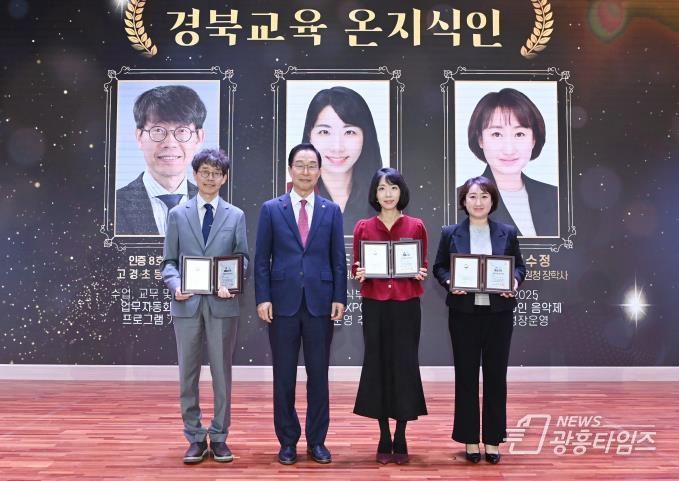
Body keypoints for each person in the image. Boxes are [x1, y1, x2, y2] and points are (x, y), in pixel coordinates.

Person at [254, 143, 347, 465]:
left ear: (319, 170)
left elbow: (338, 259)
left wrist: (339, 296)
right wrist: (263, 297)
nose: (305, 171)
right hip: (282, 305)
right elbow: (262, 260)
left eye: (311, 165)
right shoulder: (271, 209)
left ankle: (317, 441)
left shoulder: (331, 211)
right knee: (284, 377)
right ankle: (287, 441)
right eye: (300, 165)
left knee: (318, 376)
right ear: (290, 169)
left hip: (321, 304)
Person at [161, 148, 249, 464]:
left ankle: (220, 436)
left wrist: (232, 282)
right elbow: (169, 262)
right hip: (187, 307)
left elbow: (242, 258)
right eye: (205, 172)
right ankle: (195, 437)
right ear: (195, 175)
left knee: (221, 375)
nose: (210, 178)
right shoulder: (178, 214)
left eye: (216, 173)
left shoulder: (235, 215)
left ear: (224, 178)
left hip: (222, 307)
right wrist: (176, 285)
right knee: (188, 374)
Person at [434, 176, 526, 465]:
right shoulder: (450, 233)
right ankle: (470, 439)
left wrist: (514, 280)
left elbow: (520, 267)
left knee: (496, 378)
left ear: (492, 201)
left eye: (484, 196)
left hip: (499, 315)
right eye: (472, 196)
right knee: (466, 377)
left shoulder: (507, 232)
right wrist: (450, 282)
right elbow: (439, 267)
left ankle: (493, 440)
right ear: (464, 201)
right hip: (464, 315)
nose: (478, 202)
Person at [352, 167, 428, 465]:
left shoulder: (416, 226)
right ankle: (384, 434)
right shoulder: (363, 227)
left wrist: (420, 271)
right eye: (382, 188)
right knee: (378, 366)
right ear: (374, 193)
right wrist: (359, 272)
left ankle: (402, 434)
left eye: (393, 188)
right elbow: (356, 265)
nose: (387, 194)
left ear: (401, 192)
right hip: (375, 305)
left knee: (405, 367)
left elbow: (422, 263)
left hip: (406, 306)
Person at [462, 87, 558, 236]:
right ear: (480, 139)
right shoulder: (461, 200)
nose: (509, 149)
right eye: (496, 134)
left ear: (534, 139)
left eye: (519, 134)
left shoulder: (554, 196)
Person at [116, 85, 206, 236]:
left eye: (182, 130)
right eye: (158, 130)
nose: (170, 143)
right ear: (139, 136)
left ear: (199, 138)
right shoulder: (112, 205)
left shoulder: (215, 206)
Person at [302, 86, 383, 234]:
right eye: (324, 132)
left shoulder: (386, 198)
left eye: (349, 132)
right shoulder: (289, 198)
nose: (337, 147)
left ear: (365, 136)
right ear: (309, 135)